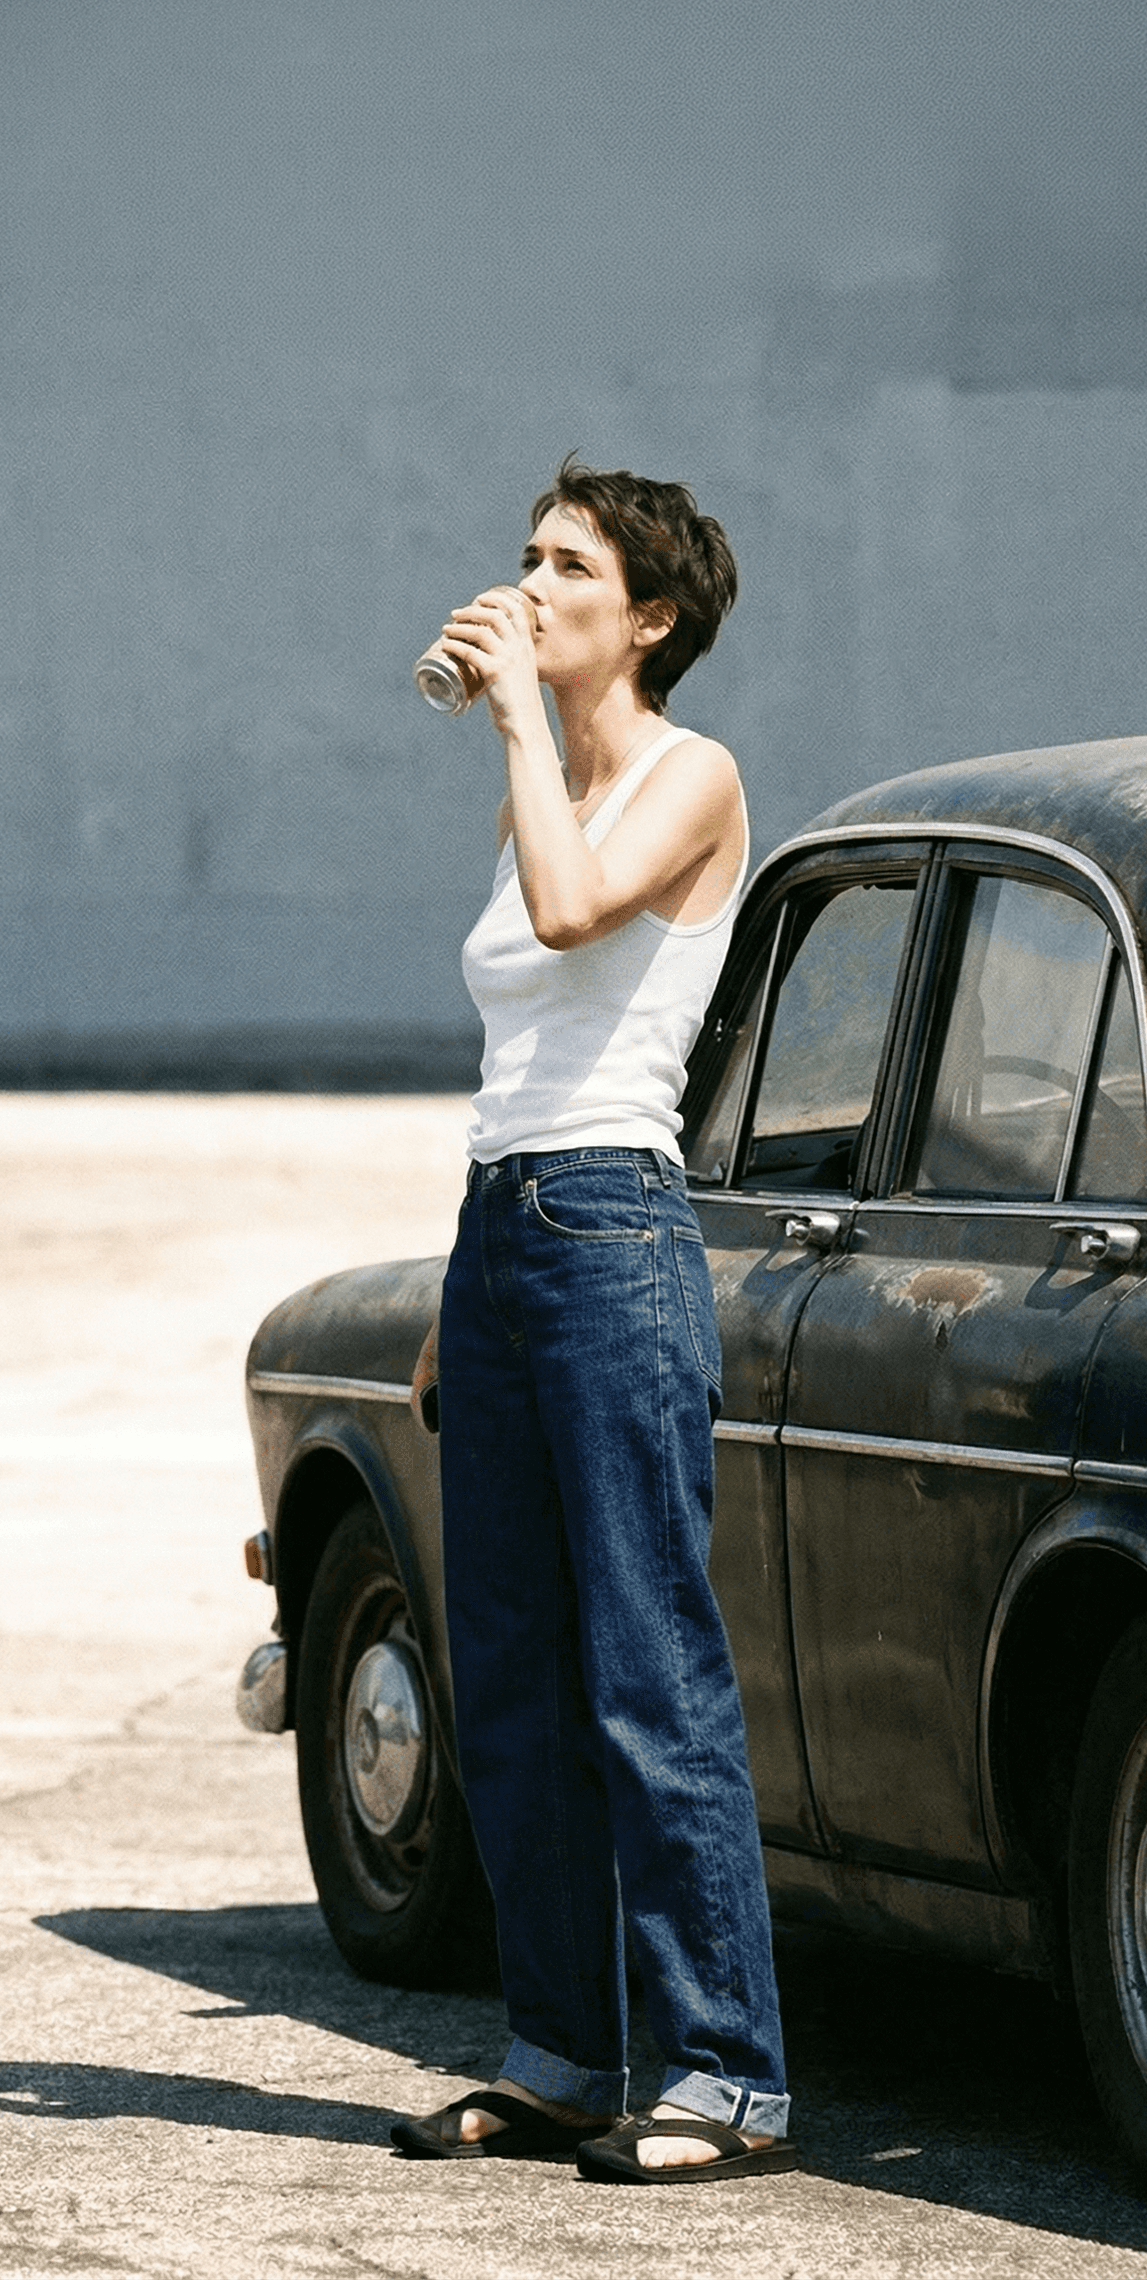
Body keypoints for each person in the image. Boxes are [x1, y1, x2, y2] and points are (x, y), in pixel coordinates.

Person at [390, 459, 795, 2185]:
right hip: (508, 1232)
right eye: (527, 558)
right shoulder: (540, 792)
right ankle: (561, 2053)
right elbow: (515, 1059)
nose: (531, 587)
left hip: (616, 1227)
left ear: (651, 617)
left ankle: (725, 2076)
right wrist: (454, 1293)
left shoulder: (692, 776)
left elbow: (575, 919)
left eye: (571, 567)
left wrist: (508, 723)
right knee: (509, 1672)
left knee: (647, 1665)